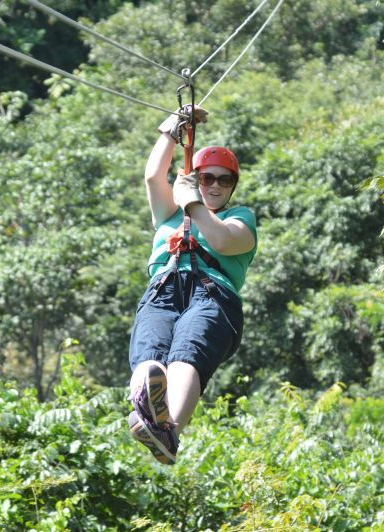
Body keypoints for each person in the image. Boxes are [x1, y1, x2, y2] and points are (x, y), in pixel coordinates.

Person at [127, 106, 257, 465]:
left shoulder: (239, 217)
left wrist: (195, 204)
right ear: (194, 177)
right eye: (206, 178)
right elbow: (154, 176)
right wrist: (172, 129)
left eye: (223, 180)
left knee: (188, 350)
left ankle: (170, 429)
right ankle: (147, 410)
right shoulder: (169, 213)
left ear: (232, 186)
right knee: (149, 353)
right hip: (163, 288)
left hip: (212, 294)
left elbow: (223, 242)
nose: (214, 185)